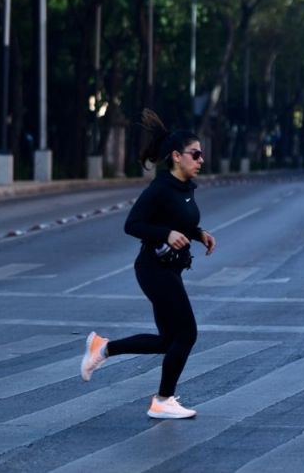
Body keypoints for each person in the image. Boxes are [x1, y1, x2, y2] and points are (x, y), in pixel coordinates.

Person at [80, 109, 217, 419]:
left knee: (168, 341)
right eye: (195, 154)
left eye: (201, 155)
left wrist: (197, 234)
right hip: (153, 270)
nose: (200, 160)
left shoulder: (184, 188)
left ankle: (103, 348)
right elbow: (133, 225)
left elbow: (176, 220)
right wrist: (166, 234)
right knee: (187, 334)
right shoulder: (159, 188)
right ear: (176, 156)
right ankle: (163, 400)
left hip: (169, 270)